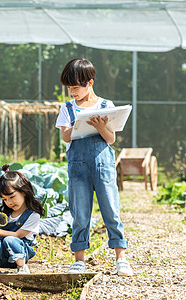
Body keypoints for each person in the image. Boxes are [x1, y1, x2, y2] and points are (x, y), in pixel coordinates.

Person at [55, 58, 133, 276]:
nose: (72, 92)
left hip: (104, 167)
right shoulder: (67, 109)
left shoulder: (106, 106)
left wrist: (100, 126)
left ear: (89, 83)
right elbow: (64, 136)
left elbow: (111, 139)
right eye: (69, 88)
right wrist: (77, 126)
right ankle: (79, 260)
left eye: (75, 87)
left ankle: (121, 257)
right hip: (78, 170)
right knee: (80, 214)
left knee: (111, 210)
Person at [0, 164, 45, 274]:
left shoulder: (33, 215)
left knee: (10, 240)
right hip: (1, 258)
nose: (9, 202)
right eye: (5, 199)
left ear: (23, 191)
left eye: (12, 197)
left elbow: (18, 235)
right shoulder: (0, 210)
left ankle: (22, 268)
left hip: (20, 255)